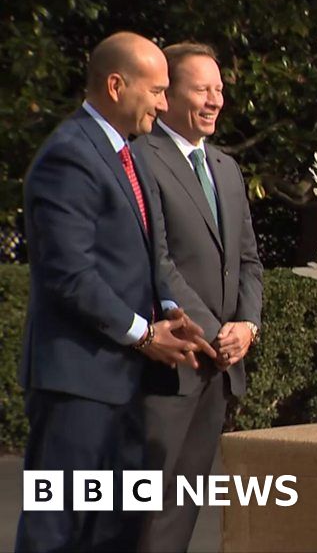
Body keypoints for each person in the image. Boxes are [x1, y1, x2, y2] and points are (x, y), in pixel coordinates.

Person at [17, 31, 215, 552]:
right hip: (77, 385)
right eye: (155, 91)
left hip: (127, 386)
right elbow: (70, 274)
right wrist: (144, 334)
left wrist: (170, 311)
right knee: (58, 531)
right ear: (114, 85)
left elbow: (149, 254)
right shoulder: (68, 157)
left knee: (115, 532)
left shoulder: (132, 155)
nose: (163, 103)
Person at [134, 42, 264, 552]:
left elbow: (250, 261)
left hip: (219, 372)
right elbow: (157, 261)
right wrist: (214, 332)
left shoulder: (227, 169)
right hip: (168, 370)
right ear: (168, 96)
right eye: (201, 89)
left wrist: (247, 326)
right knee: (144, 515)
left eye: (220, 90)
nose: (214, 101)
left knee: (181, 515)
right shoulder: (141, 160)